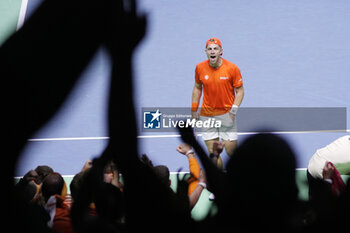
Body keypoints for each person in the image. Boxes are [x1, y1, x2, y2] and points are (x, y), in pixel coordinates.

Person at [191, 37, 244, 168]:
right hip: (207, 115)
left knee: (231, 152)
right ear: (206, 52)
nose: (212, 51)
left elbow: (240, 91)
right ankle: (221, 180)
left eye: (215, 49)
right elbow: (197, 88)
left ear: (221, 51)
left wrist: (233, 111)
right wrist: (193, 110)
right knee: (213, 153)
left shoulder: (232, 68)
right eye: (210, 49)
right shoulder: (199, 68)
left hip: (227, 115)